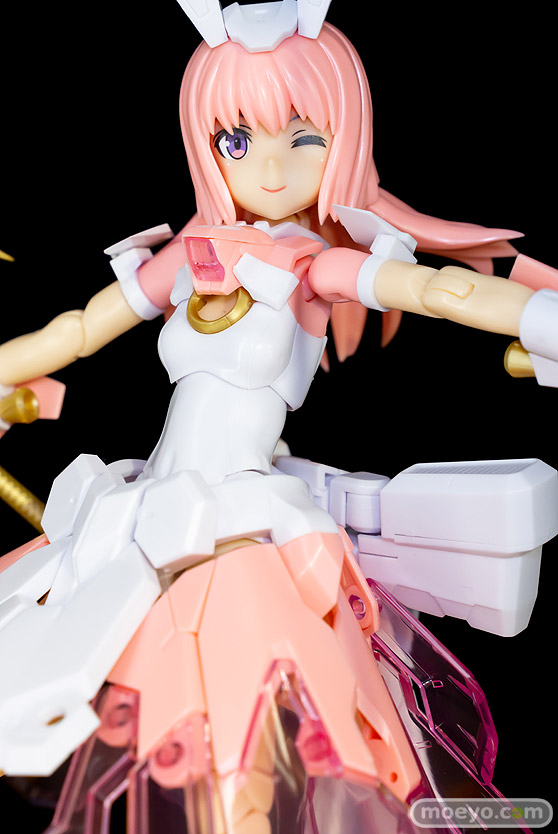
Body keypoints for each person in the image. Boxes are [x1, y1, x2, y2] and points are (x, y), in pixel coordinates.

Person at [0, 1, 556, 831]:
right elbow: (75, 332)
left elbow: (439, 289)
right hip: (140, 512)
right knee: (107, 701)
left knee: (245, 722)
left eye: (302, 138)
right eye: (236, 140)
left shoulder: (314, 268)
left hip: (243, 526)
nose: (267, 167)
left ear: (342, 140)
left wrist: (540, 317)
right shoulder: (188, 259)